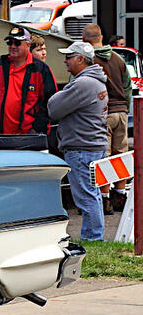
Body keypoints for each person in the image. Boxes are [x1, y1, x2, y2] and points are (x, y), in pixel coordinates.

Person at [50, 41, 108, 241]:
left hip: (82, 147)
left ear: (81, 59)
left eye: (69, 57)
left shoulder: (83, 83)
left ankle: (93, 237)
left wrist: (58, 94)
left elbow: (53, 108)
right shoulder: (96, 82)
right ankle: (95, 235)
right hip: (92, 145)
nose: (65, 61)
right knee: (93, 193)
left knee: (86, 196)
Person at [83, 24, 131, 211]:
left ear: (84, 40)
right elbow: (127, 87)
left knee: (104, 157)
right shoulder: (118, 59)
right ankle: (120, 195)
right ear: (101, 37)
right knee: (121, 155)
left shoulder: (88, 60)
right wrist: (125, 108)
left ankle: (105, 200)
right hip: (121, 112)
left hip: (103, 114)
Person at [0, 26, 57, 136]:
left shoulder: (41, 70)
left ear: (28, 45)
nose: (12, 46)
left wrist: (36, 129)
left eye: (17, 43)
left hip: (30, 136)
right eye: (9, 43)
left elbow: (50, 102)